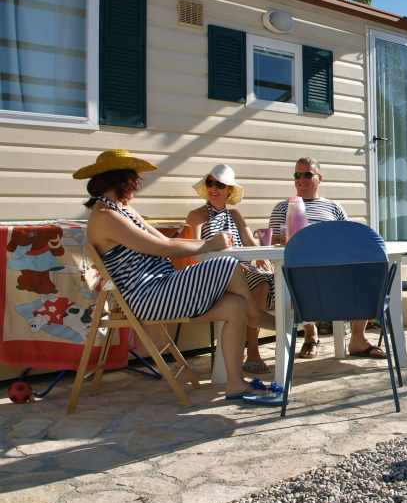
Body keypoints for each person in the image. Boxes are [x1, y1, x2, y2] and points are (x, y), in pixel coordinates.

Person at [76, 150, 278, 400]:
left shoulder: (123, 209)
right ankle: (256, 316)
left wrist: (210, 245)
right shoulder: (105, 216)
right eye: (134, 180)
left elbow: (163, 241)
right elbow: (160, 248)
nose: (136, 186)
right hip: (146, 296)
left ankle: (235, 382)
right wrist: (209, 245)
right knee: (228, 264)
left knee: (235, 305)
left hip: (164, 287)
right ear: (123, 180)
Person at [269, 156, 387, 359]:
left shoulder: (334, 207)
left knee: (369, 276)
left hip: (334, 272)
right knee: (299, 278)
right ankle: (310, 334)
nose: (301, 179)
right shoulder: (283, 207)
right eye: (297, 175)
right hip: (300, 273)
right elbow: (274, 243)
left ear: (319, 178)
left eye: (307, 174)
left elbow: (349, 239)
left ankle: (358, 338)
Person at [186, 164, 275, 375]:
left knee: (270, 280)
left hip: (242, 272)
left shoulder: (234, 215)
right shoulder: (197, 215)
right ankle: (253, 348)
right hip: (212, 273)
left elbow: (249, 244)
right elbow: (192, 251)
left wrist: (264, 253)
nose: (214, 188)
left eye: (220, 184)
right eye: (210, 183)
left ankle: (257, 348)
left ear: (230, 190)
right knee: (259, 283)